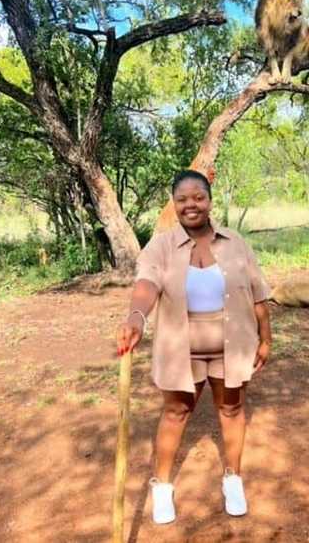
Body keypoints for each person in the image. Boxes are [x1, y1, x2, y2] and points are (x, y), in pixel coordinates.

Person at [116, 169, 273, 524]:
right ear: (174, 204)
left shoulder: (235, 243)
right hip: (181, 349)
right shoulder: (161, 246)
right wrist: (136, 318)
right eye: (183, 199)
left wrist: (266, 338)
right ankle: (162, 487)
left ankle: (233, 478)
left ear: (209, 201)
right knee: (175, 413)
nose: (191, 205)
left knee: (231, 409)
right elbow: (146, 284)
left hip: (232, 347)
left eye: (198, 198)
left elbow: (258, 296)